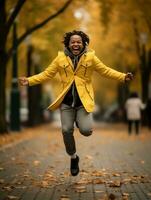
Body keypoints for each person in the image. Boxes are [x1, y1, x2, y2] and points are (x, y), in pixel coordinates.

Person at [19, 30, 133, 176]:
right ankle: (73, 157)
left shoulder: (91, 58)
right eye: (73, 42)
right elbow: (47, 74)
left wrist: (123, 77)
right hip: (66, 103)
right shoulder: (60, 59)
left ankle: (80, 121)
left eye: (78, 41)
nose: (76, 44)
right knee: (66, 130)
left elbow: (105, 71)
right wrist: (29, 81)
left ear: (83, 43)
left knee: (86, 131)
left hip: (83, 103)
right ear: (68, 43)